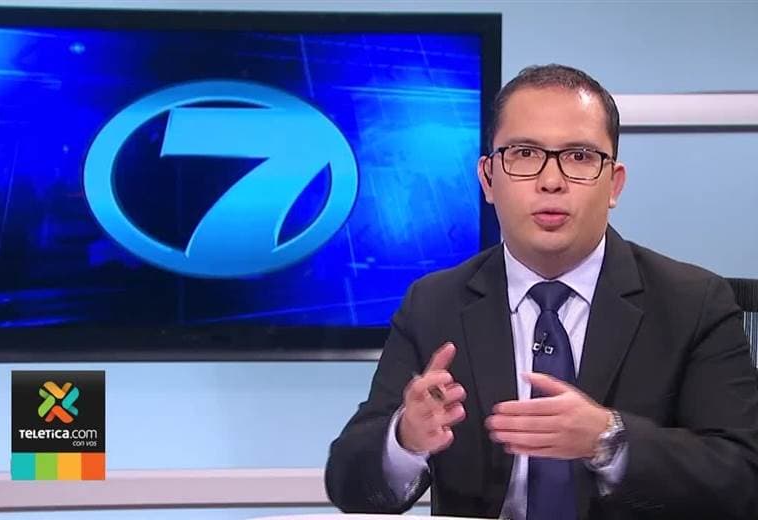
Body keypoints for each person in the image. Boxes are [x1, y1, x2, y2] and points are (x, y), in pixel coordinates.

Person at [324, 64, 758, 520]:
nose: (551, 181)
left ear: (614, 184)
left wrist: (610, 441)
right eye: (525, 153)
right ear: (488, 179)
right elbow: (348, 485)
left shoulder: (692, 303)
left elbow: (745, 478)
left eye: (579, 156)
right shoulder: (434, 304)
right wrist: (405, 440)